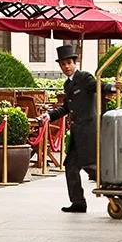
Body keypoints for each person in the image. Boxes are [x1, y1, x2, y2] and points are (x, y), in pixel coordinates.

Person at [47, 44, 99, 212]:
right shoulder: (68, 85)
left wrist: (113, 88)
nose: (66, 67)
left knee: (91, 167)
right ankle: (78, 202)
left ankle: (116, 192)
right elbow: (66, 108)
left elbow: (98, 86)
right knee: (71, 166)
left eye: (69, 63)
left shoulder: (84, 77)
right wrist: (49, 116)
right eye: (63, 64)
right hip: (77, 133)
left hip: (88, 132)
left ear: (75, 63)